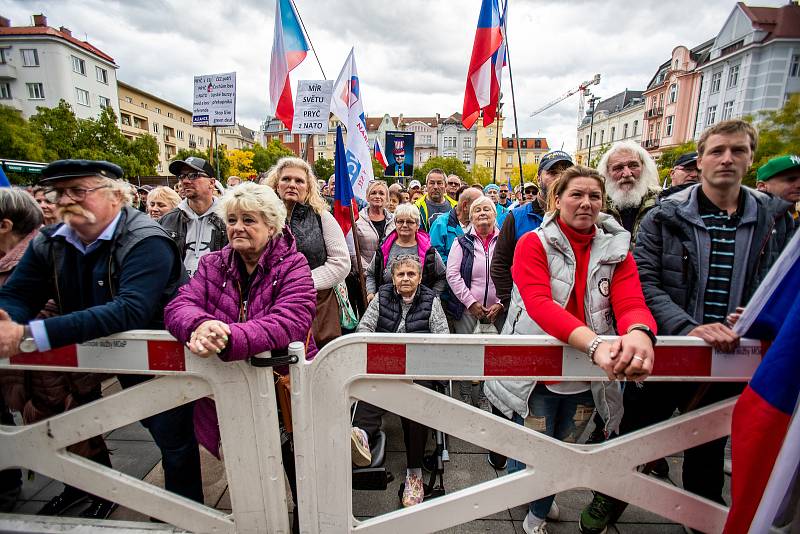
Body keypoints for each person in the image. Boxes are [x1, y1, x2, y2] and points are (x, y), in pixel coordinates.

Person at [579, 120, 796, 533]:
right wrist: (687, 327)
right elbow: (644, 279)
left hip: (736, 354)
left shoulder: (776, 219)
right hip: (665, 348)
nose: (727, 159)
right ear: (701, 159)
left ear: (751, 158)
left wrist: (757, 313)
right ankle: (610, 496)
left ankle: (702, 517)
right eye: (717, 151)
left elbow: (783, 283)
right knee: (634, 432)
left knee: (708, 445)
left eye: (737, 150)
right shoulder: (666, 216)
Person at [0, 160, 201, 511]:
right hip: (103, 355)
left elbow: (129, 310)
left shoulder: (146, 239)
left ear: (116, 196)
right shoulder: (51, 241)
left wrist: (28, 334)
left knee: (173, 441)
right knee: (88, 428)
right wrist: (5, 322)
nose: (65, 201)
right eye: (57, 193)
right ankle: (100, 496)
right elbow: (18, 295)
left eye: (78, 191)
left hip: (164, 360)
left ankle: (186, 514)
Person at [485, 165, 658, 534]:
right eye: (576, 194)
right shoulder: (533, 242)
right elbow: (540, 305)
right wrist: (595, 345)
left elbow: (630, 301)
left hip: (587, 378)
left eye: (594, 196)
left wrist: (641, 333)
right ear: (557, 199)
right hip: (540, 376)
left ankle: (538, 508)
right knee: (530, 452)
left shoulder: (617, 245)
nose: (586, 203)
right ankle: (534, 497)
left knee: (564, 449)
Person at [164, 182, 317, 533]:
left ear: (272, 225)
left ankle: (306, 523)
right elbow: (179, 305)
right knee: (247, 468)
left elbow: (291, 321)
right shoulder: (213, 264)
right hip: (228, 388)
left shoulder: (294, 265)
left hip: (284, 391)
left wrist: (230, 335)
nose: (237, 227)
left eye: (249, 219)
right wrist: (200, 325)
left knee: (300, 468)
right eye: (232, 219)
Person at [0, 188, 116, 518]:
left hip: (56, 369)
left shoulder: (44, 255)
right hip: (29, 372)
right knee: (52, 435)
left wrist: (18, 327)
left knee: (75, 431)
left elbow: (60, 304)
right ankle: (80, 490)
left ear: (6, 225)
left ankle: (99, 494)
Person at [352, 255, 449, 507]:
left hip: (418, 369)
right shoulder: (382, 296)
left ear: (419, 277)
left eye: (411, 274)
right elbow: (364, 329)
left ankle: (414, 474)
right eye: (400, 274)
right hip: (385, 365)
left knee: (416, 406)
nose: (405, 278)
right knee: (368, 389)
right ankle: (361, 438)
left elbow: (443, 338)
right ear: (392, 278)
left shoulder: (431, 300)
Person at [265, 157, 350, 347]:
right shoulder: (262, 218)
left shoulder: (322, 216)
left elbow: (341, 262)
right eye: (286, 179)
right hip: (271, 304)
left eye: (299, 181)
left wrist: (302, 283)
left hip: (317, 306)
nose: (292, 185)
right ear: (276, 184)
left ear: (308, 187)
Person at [491, 151, 573, 311]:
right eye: (553, 172)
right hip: (527, 312)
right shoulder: (516, 217)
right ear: (538, 178)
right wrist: (512, 303)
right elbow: (499, 264)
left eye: (566, 172)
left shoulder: (580, 217)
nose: (560, 177)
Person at [446, 196, 503, 410]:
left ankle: (487, 394)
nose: (482, 213)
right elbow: (452, 275)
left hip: (498, 311)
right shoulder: (461, 242)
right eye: (477, 210)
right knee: (468, 353)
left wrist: (501, 303)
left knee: (493, 355)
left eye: (487, 209)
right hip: (468, 310)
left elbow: (514, 272)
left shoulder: (504, 241)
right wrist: (471, 302)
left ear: (495, 214)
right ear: (471, 217)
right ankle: (466, 393)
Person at [159, 157, 228, 278]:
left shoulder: (228, 219)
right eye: (182, 176)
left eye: (193, 175)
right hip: (179, 293)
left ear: (211, 183)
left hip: (216, 291)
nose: (185, 181)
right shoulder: (168, 220)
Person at [365, 203, 446, 302]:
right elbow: (370, 273)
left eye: (409, 222)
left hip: (420, 308)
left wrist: (433, 297)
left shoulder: (429, 251)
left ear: (417, 225)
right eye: (400, 221)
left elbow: (442, 276)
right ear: (395, 223)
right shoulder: (384, 248)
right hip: (387, 306)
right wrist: (371, 293)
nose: (404, 225)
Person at [597, 141, 660, 243]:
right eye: (618, 168)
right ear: (607, 172)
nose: (627, 173)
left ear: (643, 167)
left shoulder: (661, 202)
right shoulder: (598, 205)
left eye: (633, 165)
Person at [352, 181, 395, 314]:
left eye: (381, 193)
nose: (377, 196)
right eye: (373, 193)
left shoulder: (394, 221)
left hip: (389, 279)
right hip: (363, 278)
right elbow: (353, 252)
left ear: (387, 198)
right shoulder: (357, 220)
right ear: (367, 196)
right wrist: (369, 272)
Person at [429, 186, 483, 266]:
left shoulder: (480, 224)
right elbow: (436, 255)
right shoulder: (440, 224)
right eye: (478, 206)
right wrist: (457, 270)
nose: (482, 212)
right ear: (465, 206)